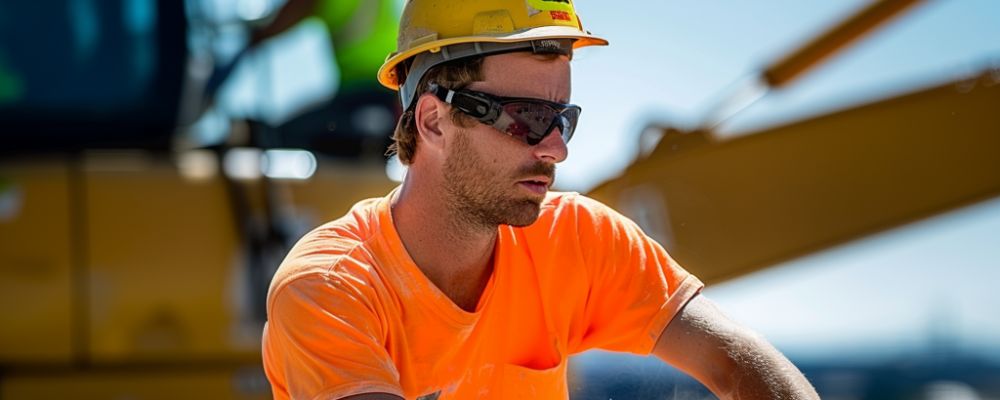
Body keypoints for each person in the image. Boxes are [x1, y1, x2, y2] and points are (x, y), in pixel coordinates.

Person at [262, 0, 820, 399]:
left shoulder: (580, 238)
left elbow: (737, 364)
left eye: (563, 119)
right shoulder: (329, 289)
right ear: (433, 120)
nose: (556, 149)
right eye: (529, 119)